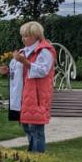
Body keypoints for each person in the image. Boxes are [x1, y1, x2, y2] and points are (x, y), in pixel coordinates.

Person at [14, 21, 56, 153]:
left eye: (26, 36)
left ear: (35, 36)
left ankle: (38, 157)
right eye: (22, 36)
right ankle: (33, 155)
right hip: (25, 95)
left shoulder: (44, 51)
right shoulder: (24, 52)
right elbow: (19, 72)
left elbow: (43, 70)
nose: (23, 38)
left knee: (36, 128)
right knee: (26, 125)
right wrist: (8, 70)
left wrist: (25, 62)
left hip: (37, 96)